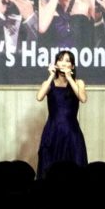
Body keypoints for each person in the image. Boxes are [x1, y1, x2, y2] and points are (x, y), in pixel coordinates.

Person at [36, 50, 88, 178]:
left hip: (72, 133)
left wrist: (69, 78)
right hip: (52, 132)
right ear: (56, 63)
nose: (63, 63)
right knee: (49, 170)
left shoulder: (79, 83)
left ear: (72, 66)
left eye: (67, 61)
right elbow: (39, 97)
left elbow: (83, 98)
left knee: (75, 170)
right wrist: (50, 76)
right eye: (60, 60)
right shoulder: (49, 84)